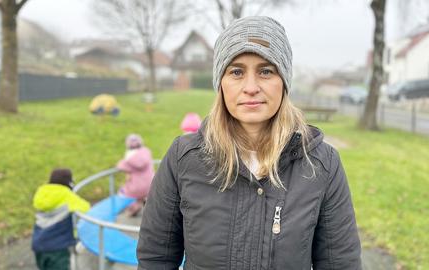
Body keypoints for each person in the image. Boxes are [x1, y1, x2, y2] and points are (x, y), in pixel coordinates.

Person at [137, 16, 361, 269]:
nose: (251, 87)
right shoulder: (184, 158)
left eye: (266, 71)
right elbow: (156, 258)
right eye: (236, 72)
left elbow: (340, 263)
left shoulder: (322, 164)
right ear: (220, 83)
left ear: (284, 82)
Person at [31, 168, 90, 270]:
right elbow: (86, 208)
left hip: (38, 245)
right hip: (58, 248)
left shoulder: (42, 192)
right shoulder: (66, 195)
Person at [117, 134, 155, 216]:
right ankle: (147, 208)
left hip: (136, 187)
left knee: (122, 193)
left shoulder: (129, 157)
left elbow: (121, 166)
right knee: (145, 194)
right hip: (151, 184)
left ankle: (133, 207)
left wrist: (121, 162)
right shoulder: (146, 152)